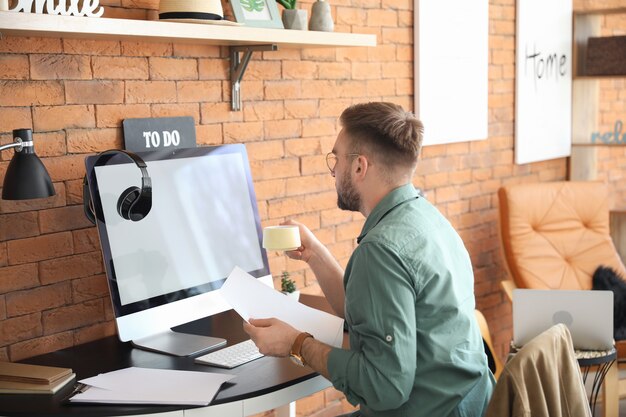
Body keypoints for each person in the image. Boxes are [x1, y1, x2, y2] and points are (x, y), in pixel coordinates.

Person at [243, 102, 495, 417]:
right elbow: (367, 314)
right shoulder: (426, 218)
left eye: (336, 158)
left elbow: (383, 387)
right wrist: (316, 253)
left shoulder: (380, 250)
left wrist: (296, 343)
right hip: (470, 402)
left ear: (360, 167)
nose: (333, 170)